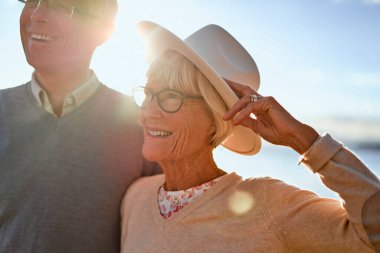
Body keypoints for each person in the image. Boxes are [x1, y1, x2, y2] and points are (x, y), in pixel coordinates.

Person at [120, 20, 380, 253]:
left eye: (170, 97)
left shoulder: (268, 205)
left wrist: (303, 140)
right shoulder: (135, 197)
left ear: (216, 119)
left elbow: (374, 238)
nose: (147, 112)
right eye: (148, 94)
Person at [0, 1, 159, 252]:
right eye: (32, 1)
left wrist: (219, 98)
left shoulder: (141, 125)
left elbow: (185, 220)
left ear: (102, 30)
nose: (37, 15)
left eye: (61, 6)